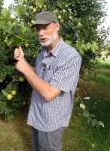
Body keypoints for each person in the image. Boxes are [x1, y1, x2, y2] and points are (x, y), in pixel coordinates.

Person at [14, 11, 82, 151]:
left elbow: (49, 93)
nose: (40, 33)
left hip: (51, 122)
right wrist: (22, 60)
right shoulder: (43, 52)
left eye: (45, 27)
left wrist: (25, 69)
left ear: (57, 26)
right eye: (38, 29)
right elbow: (37, 78)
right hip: (37, 115)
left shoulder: (70, 57)